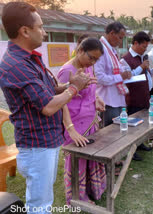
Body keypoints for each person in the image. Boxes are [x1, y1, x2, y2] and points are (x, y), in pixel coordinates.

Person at [0, 2, 92, 213]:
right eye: (40, 27)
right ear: (24, 31)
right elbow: (48, 107)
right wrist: (74, 89)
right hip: (37, 145)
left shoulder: (29, 59)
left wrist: (70, 85)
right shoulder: (16, 65)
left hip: (45, 141)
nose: (45, 31)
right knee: (39, 205)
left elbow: (49, 91)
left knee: (44, 199)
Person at [57, 38, 106, 205]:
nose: (92, 62)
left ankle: (93, 189)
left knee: (92, 156)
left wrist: (97, 99)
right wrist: (70, 128)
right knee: (77, 160)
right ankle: (78, 198)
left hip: (90, 119)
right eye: (91, 57)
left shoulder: (88, 67)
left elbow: (91, 87)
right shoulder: (67, 71)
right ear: (80, 50)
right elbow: (61, 102)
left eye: (96, 60)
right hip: (75, 123)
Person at [119, 31, 153, 157]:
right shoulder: (125, 59)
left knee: (142, 123)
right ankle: (131, 150)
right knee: (132, 124)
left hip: (144, 95)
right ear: (135, 43)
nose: (145, 49)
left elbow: (143, 75)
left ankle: (140, 144)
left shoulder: (143, 57)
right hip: (133, 97)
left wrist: (151, 71)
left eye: (146, 47)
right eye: (143, 46)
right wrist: (141, 66)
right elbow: (128, 78)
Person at [94, 21, 132, 127]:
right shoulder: (100, 49)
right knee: (111, 135)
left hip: (116, 98)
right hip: (108, 100)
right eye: (120, 38)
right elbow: (99, 77)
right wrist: (121, 76)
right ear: (112, 33)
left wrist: (125, 71)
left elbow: (115, 69)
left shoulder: (111, 49)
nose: (121, 42)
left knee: (120, 131)